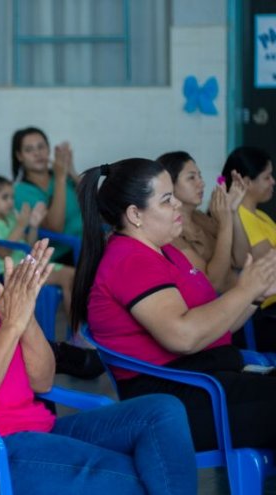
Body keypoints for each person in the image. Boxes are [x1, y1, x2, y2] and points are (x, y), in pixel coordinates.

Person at [0, 193, 197, 494]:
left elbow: (41, 379)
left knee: (162, 411)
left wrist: (24, 317)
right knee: (136, 475)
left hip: (40, 430)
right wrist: (10, 327)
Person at [73, 158, 276, 453]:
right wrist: (244, 289)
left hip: (203, 382)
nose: (178, 205)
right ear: (135, 214)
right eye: (167, 200)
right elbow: (183, 336)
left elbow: (215, 325)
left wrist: (254, 295)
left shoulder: (164, 250)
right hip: (175, 401)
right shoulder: (130, 261)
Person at [0, 175, 103, 380]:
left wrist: (32, 225)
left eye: (12, 197)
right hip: (13, 272)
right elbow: (3, 251)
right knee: (69, 277)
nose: (11, 202)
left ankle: (80, 329)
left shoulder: (12, 218)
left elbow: (28, 244)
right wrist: (22, 224)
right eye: (5, 197)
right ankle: (78, 334)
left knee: (76, 275)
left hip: (28, 264)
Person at [157, 151, 248, 292]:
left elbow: (241, 259)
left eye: (200, 176)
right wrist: (225, 224)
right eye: (191, 178)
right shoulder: (170, 232)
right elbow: (212, 284)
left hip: (240, 295)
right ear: (170, 184)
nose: (202, 183)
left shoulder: (199, 217)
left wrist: (232, 211)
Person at [221, 146, 276, 350]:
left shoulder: (261, 216)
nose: (273, 182)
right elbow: (268, 262)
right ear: (246, 182)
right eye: (267, 177)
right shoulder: (241, 217)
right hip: (266, 311)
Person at [11, 127, 81, 261]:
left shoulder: (61, 174)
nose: (37, 153)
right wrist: (60, 178)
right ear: (19, 156)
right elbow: (55, 228)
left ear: (49, 150)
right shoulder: (20, 191)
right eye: (29, 150)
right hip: (64, 254)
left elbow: (96, 202)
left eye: (41, 147)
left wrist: (71, 169)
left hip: (90, 242)